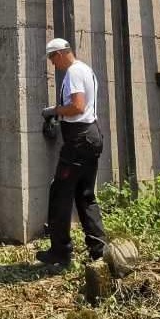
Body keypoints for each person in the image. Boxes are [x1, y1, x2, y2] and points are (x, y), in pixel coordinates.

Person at [36, 38, 109, 266]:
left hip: (78, 140)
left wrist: (54, 111)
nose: (52, 64)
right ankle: (99, 250)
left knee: (60, 193)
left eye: (51, 58)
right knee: (85, 195)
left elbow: (77, 106)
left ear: (59, 54)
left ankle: (60, 252)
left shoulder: (74, 72)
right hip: (92, 136)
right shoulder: (86, 70)